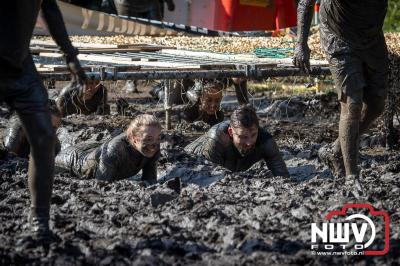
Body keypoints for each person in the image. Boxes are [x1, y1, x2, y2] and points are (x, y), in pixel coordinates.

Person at [1, 1, 87, 238]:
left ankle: (40, 218)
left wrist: (70, 53)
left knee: (44, 136)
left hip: (19, 65)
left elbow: (49, 7)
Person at [293, 0, 388, 195]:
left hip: (371, 36)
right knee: (352, 104)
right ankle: (351, 177)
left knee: (377, 104)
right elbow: (305, 2)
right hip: (338, 34)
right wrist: (301, 44)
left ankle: (335, 151)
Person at [185, 105, 289, 177]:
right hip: (186, 161)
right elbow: (209, 176)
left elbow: (283, 176)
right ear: (230, 132)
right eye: (243, 137)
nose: (249, 142)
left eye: (253, 135)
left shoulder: (265, 140)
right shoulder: (219, 137)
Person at [55, 114, 161, 184]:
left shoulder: (154, 147)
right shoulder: (115, 150)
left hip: (92, 149)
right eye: (148, 139)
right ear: (133, 138)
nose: (154, 144)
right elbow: (101, 184)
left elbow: (150, 180)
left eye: (158, 138)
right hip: (70, 161)